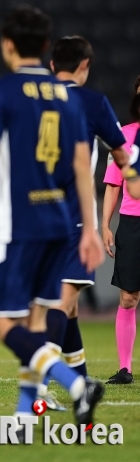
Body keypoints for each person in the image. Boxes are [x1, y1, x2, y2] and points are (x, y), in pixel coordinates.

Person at [0, 6, 108, 434]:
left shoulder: (2, 91)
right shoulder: (67, 95)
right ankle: (22, 413)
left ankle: (75, 384)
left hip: (17, 228)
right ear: (46, 47)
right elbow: (82, 163)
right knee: (37, 322)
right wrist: (88, 227)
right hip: (59, 226)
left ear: (8, 45)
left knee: (4, 327)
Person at [29, 36, 129, 407]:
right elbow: (122, 152)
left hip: (34, 216)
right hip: (73, 218)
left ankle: (82, 387)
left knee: (68, 308)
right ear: (84, 66)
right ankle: (37, 389)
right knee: (62, 301)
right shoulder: (92, 102)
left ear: (53, 66)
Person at [102, 85, 140, 384]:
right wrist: (105, 224)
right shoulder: (124, 136)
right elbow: (113, 185)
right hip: (132, 222)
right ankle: (125, 368)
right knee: (128, 298)